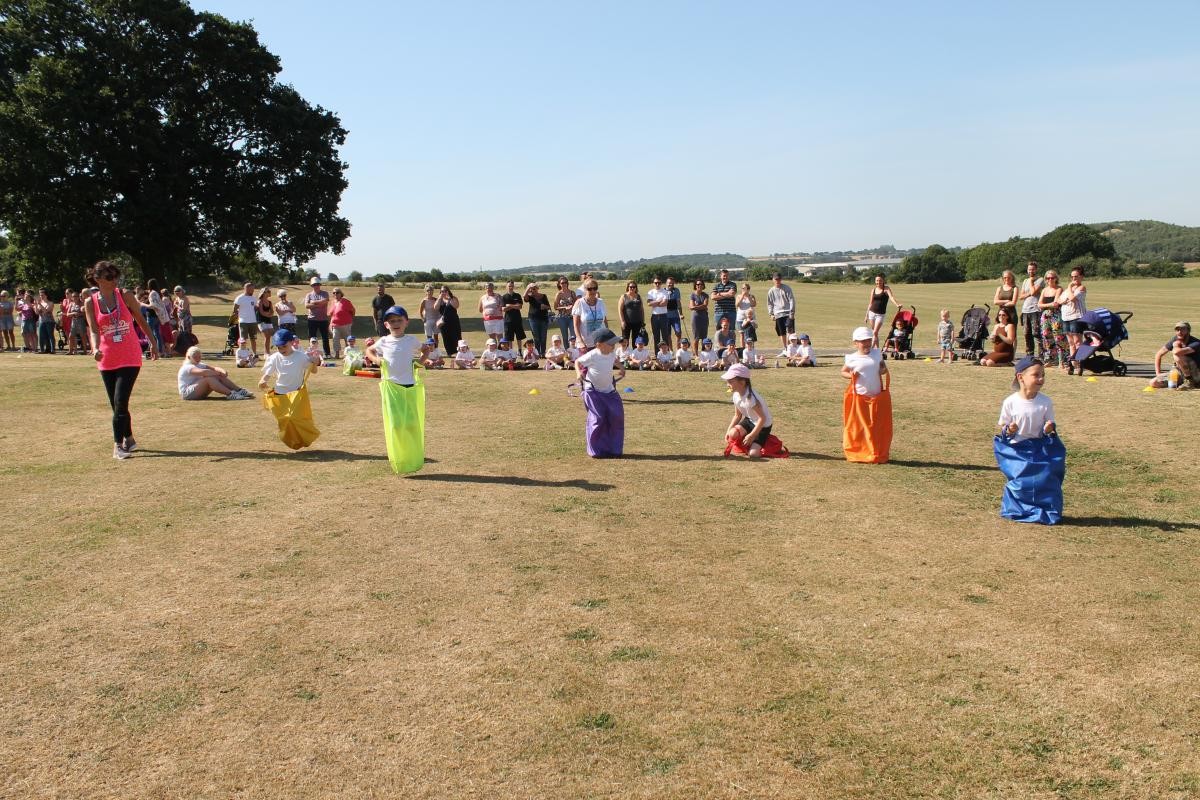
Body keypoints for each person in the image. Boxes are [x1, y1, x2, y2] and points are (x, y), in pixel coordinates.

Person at [82, 260, 160, 459]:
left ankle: (118, 446)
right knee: (116, 404)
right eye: (110, 277)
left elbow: (141, 321)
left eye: (116, 275)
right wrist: (95, 348)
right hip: (107, 358)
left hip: (130, 356)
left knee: (120, 401)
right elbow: (93, 330)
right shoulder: (90, 302)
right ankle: (130, 439)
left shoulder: (125, 295)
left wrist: (153, 342)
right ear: (98, 279)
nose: (115, 280)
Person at [995, 356, 1064, 525]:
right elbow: (1003, 426)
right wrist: (1009, 429)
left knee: (1046, 478)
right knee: (1021, 482)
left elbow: (1050, 426)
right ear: (1021, 377)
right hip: (1017, 449)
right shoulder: (1010, 402)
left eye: (1043, 375)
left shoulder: (1045, 402)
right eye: (1036, 375)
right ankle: (1017, 509)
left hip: (1039, 447)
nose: (1041, 379)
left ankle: (1046, 510)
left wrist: (1049, 429)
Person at [368, 305, 432, 473]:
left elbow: (426, 349)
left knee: (410, 424)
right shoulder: (384, 341)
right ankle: (400, 458)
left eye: (399, 320)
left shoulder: (411, 340)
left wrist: (420, 362)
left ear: (406, 322)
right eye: (391, 321)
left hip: (409, 386)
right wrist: (376, 360)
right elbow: (369, 350)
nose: (395, 323)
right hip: (391, 387)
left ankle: (413, 456)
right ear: (386, 325)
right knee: (396, 425)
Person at [259, 328, 321, 450]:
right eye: (278, 347)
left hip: (297, 394)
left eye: (283, 346)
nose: (281, 350)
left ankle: (305, 438)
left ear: (292, 343)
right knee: (285, 420)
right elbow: (268, 373)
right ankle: (291, 440)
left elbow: (314, 370)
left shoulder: (300, 356)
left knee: (295, 418)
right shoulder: (275, 358)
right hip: (279, 395)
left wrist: (315, 361)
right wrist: (263, 380)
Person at [841, 326, 891, 464]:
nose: (867, 344)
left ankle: (875, 451)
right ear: (856, 343)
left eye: (869, 340)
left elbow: (882, 367)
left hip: (877, 397)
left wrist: (882, 370)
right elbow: (843, 372)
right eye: (863, 341)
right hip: (860, 398)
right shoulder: (851, 358)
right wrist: (851, 375)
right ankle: (860, 452)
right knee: (860, 426)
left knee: (876, 426)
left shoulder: (876, 354)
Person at [575, 328, 625, 458]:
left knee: (617, 416)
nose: (613, 346)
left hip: (609, 390)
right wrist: (578, 373)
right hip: (593, 391)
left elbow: (615, 360)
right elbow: (577, 362)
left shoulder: (611, 353)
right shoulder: (593, 355)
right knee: (598, 418)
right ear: (599, 344)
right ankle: (596, 450)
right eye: (611, 344)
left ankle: (614, 449)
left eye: (614, 343)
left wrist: (622, 368)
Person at [721, 363, 774, 458]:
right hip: (750, 420)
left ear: (742, 382)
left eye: (730, 382)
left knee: (753, 454)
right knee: (732, 434)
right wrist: (728, 431)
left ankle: (768, 442)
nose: (727, 384)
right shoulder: (736, 395)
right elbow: (737, 415)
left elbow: (762, 418)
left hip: (762, 425)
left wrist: (752, 435)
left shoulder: (751, 398)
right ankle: (751, 440)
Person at [178, 345, 252, 400]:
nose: (198, 359)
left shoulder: (199, 364)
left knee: (215, 376)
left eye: (199, 357)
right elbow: (204, 372)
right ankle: (231, 394)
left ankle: (239, 390)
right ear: (188, 357)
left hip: (197, 391)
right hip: (187, 394)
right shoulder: (187, 367)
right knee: (209, 378)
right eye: (195, 357)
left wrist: (222, 371)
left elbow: (214, 368)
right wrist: (219, 373)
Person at [1148, 321, 1199, 389]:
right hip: (1179, 372)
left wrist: (1175, 345)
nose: (1179, 332)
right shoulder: (1175, 339)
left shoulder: (1196, 343)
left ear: (1188, 331)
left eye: (1183, 329)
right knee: (1153, 383)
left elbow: (1177, 352)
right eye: (1177, 330)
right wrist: (1158, 373)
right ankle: (1183, 382)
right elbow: (1158, 354)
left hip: (1196, 372)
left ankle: (1190, 381)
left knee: (1177, 356)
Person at [1058, 268, 1087, 373]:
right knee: (1070, 343)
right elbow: (1059, 301)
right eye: (1072, 276)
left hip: (1077, 317)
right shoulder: (1067, 290)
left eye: (1076, 276)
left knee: (1078, 342)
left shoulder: (1081, 288)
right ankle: (1073, 364)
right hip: (1066, 317)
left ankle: (1080, 363)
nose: (1073, 278)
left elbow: (1073, 299)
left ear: (1081, 277)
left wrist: (1070, 287)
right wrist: (1065, 299)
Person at [1037, 271, 1067, 370]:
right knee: (1046, 337)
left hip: (1056, 315)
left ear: (1056, 278)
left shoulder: (1059, 289)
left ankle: (1061, 361)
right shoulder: (1044, 290)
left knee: (1058, 338)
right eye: (1048, 278)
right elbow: (1039, 304)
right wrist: (1048, 305)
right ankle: (1049, 360)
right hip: (1045, 316)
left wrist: (1045, 305)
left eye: (1052, 278)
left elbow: (1056, 303)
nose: (1050, 280)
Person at [864, 274, 900, 349]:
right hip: (872, 313)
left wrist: (897, 304)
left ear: (883, 281)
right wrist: (866, 315)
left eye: (880, 280)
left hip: (880, 314)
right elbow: (870, 303)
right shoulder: (873, 290)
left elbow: (891, 297)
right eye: (877, 280)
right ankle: (877, 350)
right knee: (875, 333)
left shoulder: (886, 289)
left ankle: (871, 349)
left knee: (875, 332)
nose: (878, 282)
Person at [1017, 261, 1045, 358]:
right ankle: (1030, 354)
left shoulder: (1040, 280)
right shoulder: (1025, 281)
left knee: (1036, 333)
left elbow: (1033, 292)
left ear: (1036, 269)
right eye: (1029, 269)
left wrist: (1032, 282)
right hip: (1025, 310)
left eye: (1032, 269)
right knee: (1026, 333)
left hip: (1035, 309)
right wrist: (1029, 293)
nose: (1031, 271)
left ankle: (1041, 354)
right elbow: (1021, 296)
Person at [572, 279, 609, 347]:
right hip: (585, 344)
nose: (593, 291)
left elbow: (605, 322)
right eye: (590, 289)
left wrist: (607, 336)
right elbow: (576, 325)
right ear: (585, 290)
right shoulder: (579, 303)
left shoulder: (601, 302)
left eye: (595, 288)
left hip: (600, 343)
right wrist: (580, 341)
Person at [766, 273, 796, 348]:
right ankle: (785, 348)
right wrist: (771, 314)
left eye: (779, 279)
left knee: (790, 331)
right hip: (778, 314)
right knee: (781, 332)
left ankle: (790, 348)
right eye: (776, 279)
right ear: (773, 279)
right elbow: (770, 303)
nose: (777, 281)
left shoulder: (787, 288)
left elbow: (791, 300)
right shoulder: (771, 291)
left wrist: (792, 312)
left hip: (788, 313)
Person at [304, 277, 332, 357]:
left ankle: (327, 354)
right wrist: (319, 303)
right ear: (312, 286)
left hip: (323, 319)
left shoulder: (325, 293)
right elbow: (307, 305)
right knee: (312, 338)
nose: (316, 286)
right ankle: (312, 353)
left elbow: (325, 302)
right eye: (314, 285)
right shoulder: (309, 295)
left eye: (317, 284)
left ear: (320, 285)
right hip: (312, 319)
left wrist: (313, 302)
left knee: (325, 337)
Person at [524, 282, 552, 356]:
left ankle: (543, 352)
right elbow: (524, 297)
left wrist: (544, 306)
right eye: (532, 289)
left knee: (543, 336)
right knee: (536, 337)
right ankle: (537, 353)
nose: (533, 290)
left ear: (537, 288)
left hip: (543, 319)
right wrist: (528, 287)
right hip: (533, 319)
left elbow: (549, 307)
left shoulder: (543, 296)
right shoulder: (530, 297)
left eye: (534, 288)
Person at [232, 282, 260, 356]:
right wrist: (238, 316)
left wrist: (258, 307)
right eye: (251, 289)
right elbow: (235, 310)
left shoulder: (253, 298)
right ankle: (243, 355)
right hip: (243, 321)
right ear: (246, 289)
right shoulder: (240, 298)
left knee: (253, 339)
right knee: (243, 340)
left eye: (253, 289)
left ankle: (254, 354)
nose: (253, 291)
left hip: (253, 321)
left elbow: (254, 309)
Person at [434, 286, 462, 358]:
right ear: (440, 292)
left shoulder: (453, 298)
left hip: (453, 320)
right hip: (444, 322)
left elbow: (456, 306)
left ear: (448, 291)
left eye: (445, 291)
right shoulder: (439, 300)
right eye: (442, 291)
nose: (444, 292)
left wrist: (449, 298)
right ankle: (449, 352)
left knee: (456, 336)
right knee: (446, 337)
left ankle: (459, 352)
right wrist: (440, 298)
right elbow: (435, 308)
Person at [618, 280, 646, 349]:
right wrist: (622, 321)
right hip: (626, 322)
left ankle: (635, 356)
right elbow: (620, 309)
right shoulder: (623, 296)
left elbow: (642, 309)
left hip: (637, 322)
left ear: (636, 288)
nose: (632, 288)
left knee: (636, 341)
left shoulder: (638, 296)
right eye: (630, 287)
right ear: (628, 287)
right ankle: (624, 356)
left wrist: (642, 321)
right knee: (625, 340)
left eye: (634, 287)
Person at [329, 288, 356, 358]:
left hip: (345, 324)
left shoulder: (346, 301)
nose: (335, 294)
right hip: (335, 324)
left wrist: (350, 319)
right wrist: (330, 323)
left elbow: (353, 311)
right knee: (335, 339)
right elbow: (330, 313)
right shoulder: (333, 302)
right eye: (334, 293)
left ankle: (348, 354)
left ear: (341, 294)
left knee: (347, 339)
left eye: (337, 292)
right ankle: (337, 354)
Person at [645, 275, 671, 351]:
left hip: (664, 316)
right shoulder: (650, 292)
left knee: (665, 336)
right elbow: (649, 304)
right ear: (653, 283)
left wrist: (655, 302)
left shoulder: (665, 292)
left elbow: (664, 303)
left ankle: (667, 354)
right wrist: (659, 301)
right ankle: (657, 354)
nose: (657, 284)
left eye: (659, 283)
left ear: (661, 283)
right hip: (655, 316)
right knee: (656, 336)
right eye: (655, 283)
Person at [712, 268, 737, 333]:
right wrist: (727, 294)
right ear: (720, 276)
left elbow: (732, 294)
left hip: (731, 311)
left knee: (731, 331)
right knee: (718, 331)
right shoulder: (716, 286)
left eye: (727, 275)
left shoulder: (733, 284)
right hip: (719, 312)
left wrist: (719, 294)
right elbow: (713, 297)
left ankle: (731, 343)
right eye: (724, 276)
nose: (725, 277)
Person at [553, 276, 576, 345]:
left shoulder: (572, 293)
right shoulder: (559, 294)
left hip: (572, 317)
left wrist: (572, 306)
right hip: (562, 318)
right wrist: (564, 307)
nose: (564, 284)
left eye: (565, 282)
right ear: (559, 284)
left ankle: (575, 351)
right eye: (562, 283)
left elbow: (577, 304)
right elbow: (555, 307)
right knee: (565, 336)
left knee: (573, 335)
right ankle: (567, 352)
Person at [689, 279, 710, 353]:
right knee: (696, 337)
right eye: (697, 284)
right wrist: (701, 307)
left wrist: (695, 307)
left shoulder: (706, 295)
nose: (699, 286)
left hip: (704, 317)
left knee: (704, 336)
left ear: (703, 285)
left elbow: (705, 305)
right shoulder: (692, 295)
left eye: (701, 284)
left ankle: (704, 352)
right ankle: (696, 354)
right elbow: (691, 307)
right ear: (695, 285)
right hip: (695, 318)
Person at [664, 276, 683, 350]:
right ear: (666, 283)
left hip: (675, 316)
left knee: (678, 333)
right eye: (669, 283)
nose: (670, 285)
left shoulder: (676, 290)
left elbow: (678, 302)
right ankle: (671, 351)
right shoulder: (663, 291)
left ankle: (678, 350)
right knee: (668, 335)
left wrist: (681, 314)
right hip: (666, 316)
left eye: (672, 283)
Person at [418, 285, 440, 350]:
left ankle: (436, 350)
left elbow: (440, 309)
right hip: (428, 320)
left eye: (431, 290)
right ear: (425, 292)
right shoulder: (424, 301)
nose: (430, 292)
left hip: (436, 320)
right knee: (429, 338)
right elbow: (420, 311)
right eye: (428, 290)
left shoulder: (436, 299)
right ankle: (430, 351)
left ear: (433, 291)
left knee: (436, 337)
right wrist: (423, 319)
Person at [35, 288, 56, 353]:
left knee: (50, 335)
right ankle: (42, 350)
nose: (41, 297)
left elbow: (46, 311)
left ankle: (52, 349)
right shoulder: (40, 303)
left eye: (42, 295)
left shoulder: (50, 303)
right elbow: (37, 313)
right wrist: (36, 305)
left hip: (49, 321)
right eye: (40, 295)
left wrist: (40, 305)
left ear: (46, 295)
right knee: (41, 335)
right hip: (42, 321)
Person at [257, 287, 276, 354]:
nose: (269, 292)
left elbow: (272, 312)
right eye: (268, 291)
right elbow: (261, 312)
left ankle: (271, 347)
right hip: (261, 321)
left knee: (274, 335)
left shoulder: (270, 302)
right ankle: (267, 353)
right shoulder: (260, 301)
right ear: (264, 293)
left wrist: (269, 315)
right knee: (267, 336)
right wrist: (268, 314)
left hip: (268, 321)